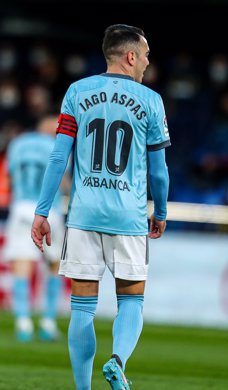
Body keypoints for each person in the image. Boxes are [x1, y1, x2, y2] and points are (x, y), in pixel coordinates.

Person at [31, 24, 170, 390]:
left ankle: (82, 388)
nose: (146, 61)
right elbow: (159, 169)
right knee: (131, 299)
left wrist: (42, 211)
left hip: (83, 215)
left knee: (81, 308)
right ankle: (118, 362)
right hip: (128, 216)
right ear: (130, 56)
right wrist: (162, 212)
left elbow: (59, 155)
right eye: (145, 54)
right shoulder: (151, 101)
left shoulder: (77, 92)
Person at [3, 114, 70, 342]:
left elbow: (10, 176)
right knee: (54, 264)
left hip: (21, 207)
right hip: (48, 209)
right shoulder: (57, 145)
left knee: (22, 263)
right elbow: (63, 180)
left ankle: (23, 323)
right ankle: (48, 322)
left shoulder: (17, 144)